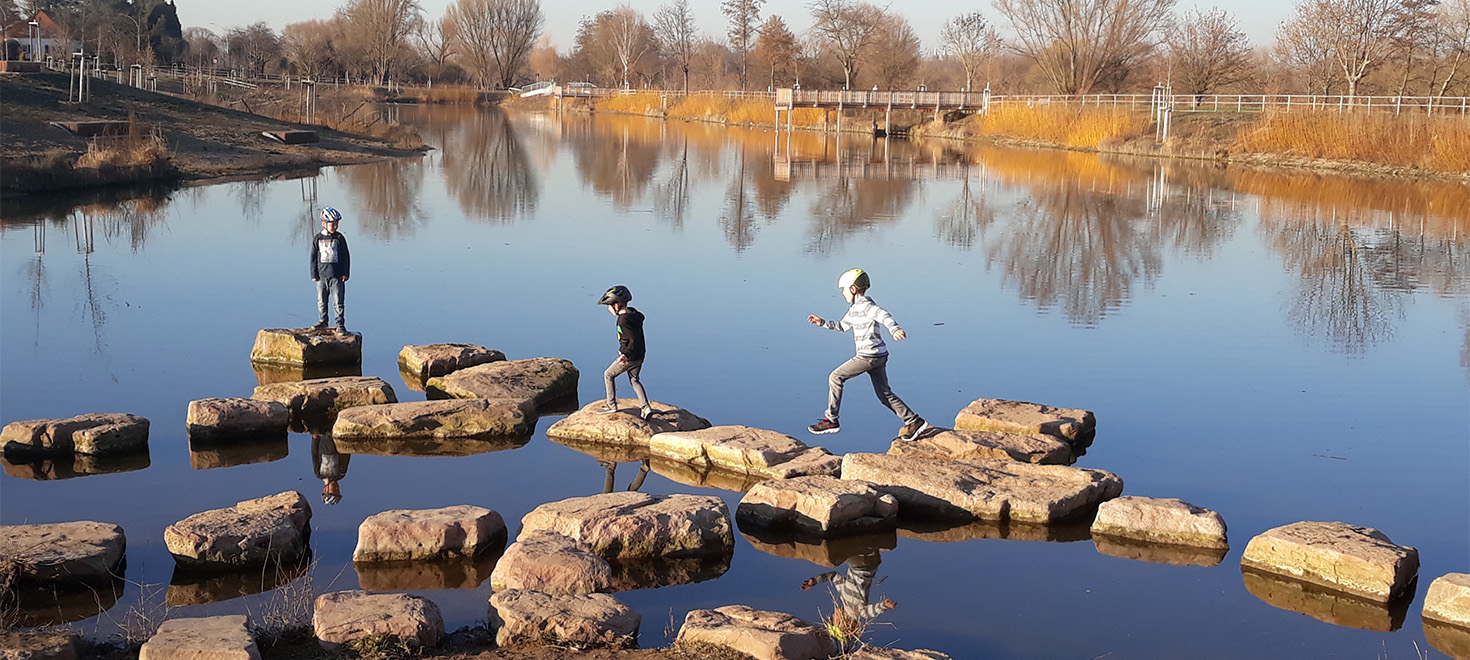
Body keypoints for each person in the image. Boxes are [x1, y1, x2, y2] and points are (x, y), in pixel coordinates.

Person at [807, 268, 928, 440]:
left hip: (868, 356)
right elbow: (842, 326)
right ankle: (914, 421)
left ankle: (832, 420)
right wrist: (822, 323)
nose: (842, 294)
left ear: (853, 289)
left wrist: (895, 329)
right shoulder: (854, 309)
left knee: (835, 377)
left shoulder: (866, 306)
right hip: (878, 355)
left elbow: (884, 315)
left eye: (843, 290)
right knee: (884, 394)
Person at [801, 549, 896, 650]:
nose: (832, 616)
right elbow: (869, 612)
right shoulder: (854, 612)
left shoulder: (844, 596)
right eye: (834, 621)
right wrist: (883, 606)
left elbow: (833, 576)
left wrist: (815, 581)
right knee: (830, 555)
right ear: (844, 623)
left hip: (866, 563)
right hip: (862, 566)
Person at [595, 285, 653, 420]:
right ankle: (646, 407)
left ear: (617, 305)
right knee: (634, 380)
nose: (608, 309)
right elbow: (639, 325)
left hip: (630, 356)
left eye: (609, 306)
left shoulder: (623, 320)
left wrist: (625, 354)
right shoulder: (633, 314)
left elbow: (632, 340)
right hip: (640, 355)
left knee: (608, 374)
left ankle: (611, 405)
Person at [310, 207, 350, 332]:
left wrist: (345, 273)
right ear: (324, 224)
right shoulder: (317, 238)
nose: (335, 226)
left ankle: (340, 324)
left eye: (336, 224)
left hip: (336, 276)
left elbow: (345, 256)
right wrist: (313, 274)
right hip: (322, 276)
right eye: (332, 224)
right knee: (321, 301)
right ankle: (323, 321)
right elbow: (313, 257)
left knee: (338, 301)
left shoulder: (339, 238)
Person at [311, 433, 350, 505]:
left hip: (323, 440)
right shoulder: (341, 474)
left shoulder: (319, 474)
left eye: (333, 490)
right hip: (337, 441)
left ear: (325, 489)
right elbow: (346, 456)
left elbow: (314, 456)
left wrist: (315, 439)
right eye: (337, 490)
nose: (336, 488)